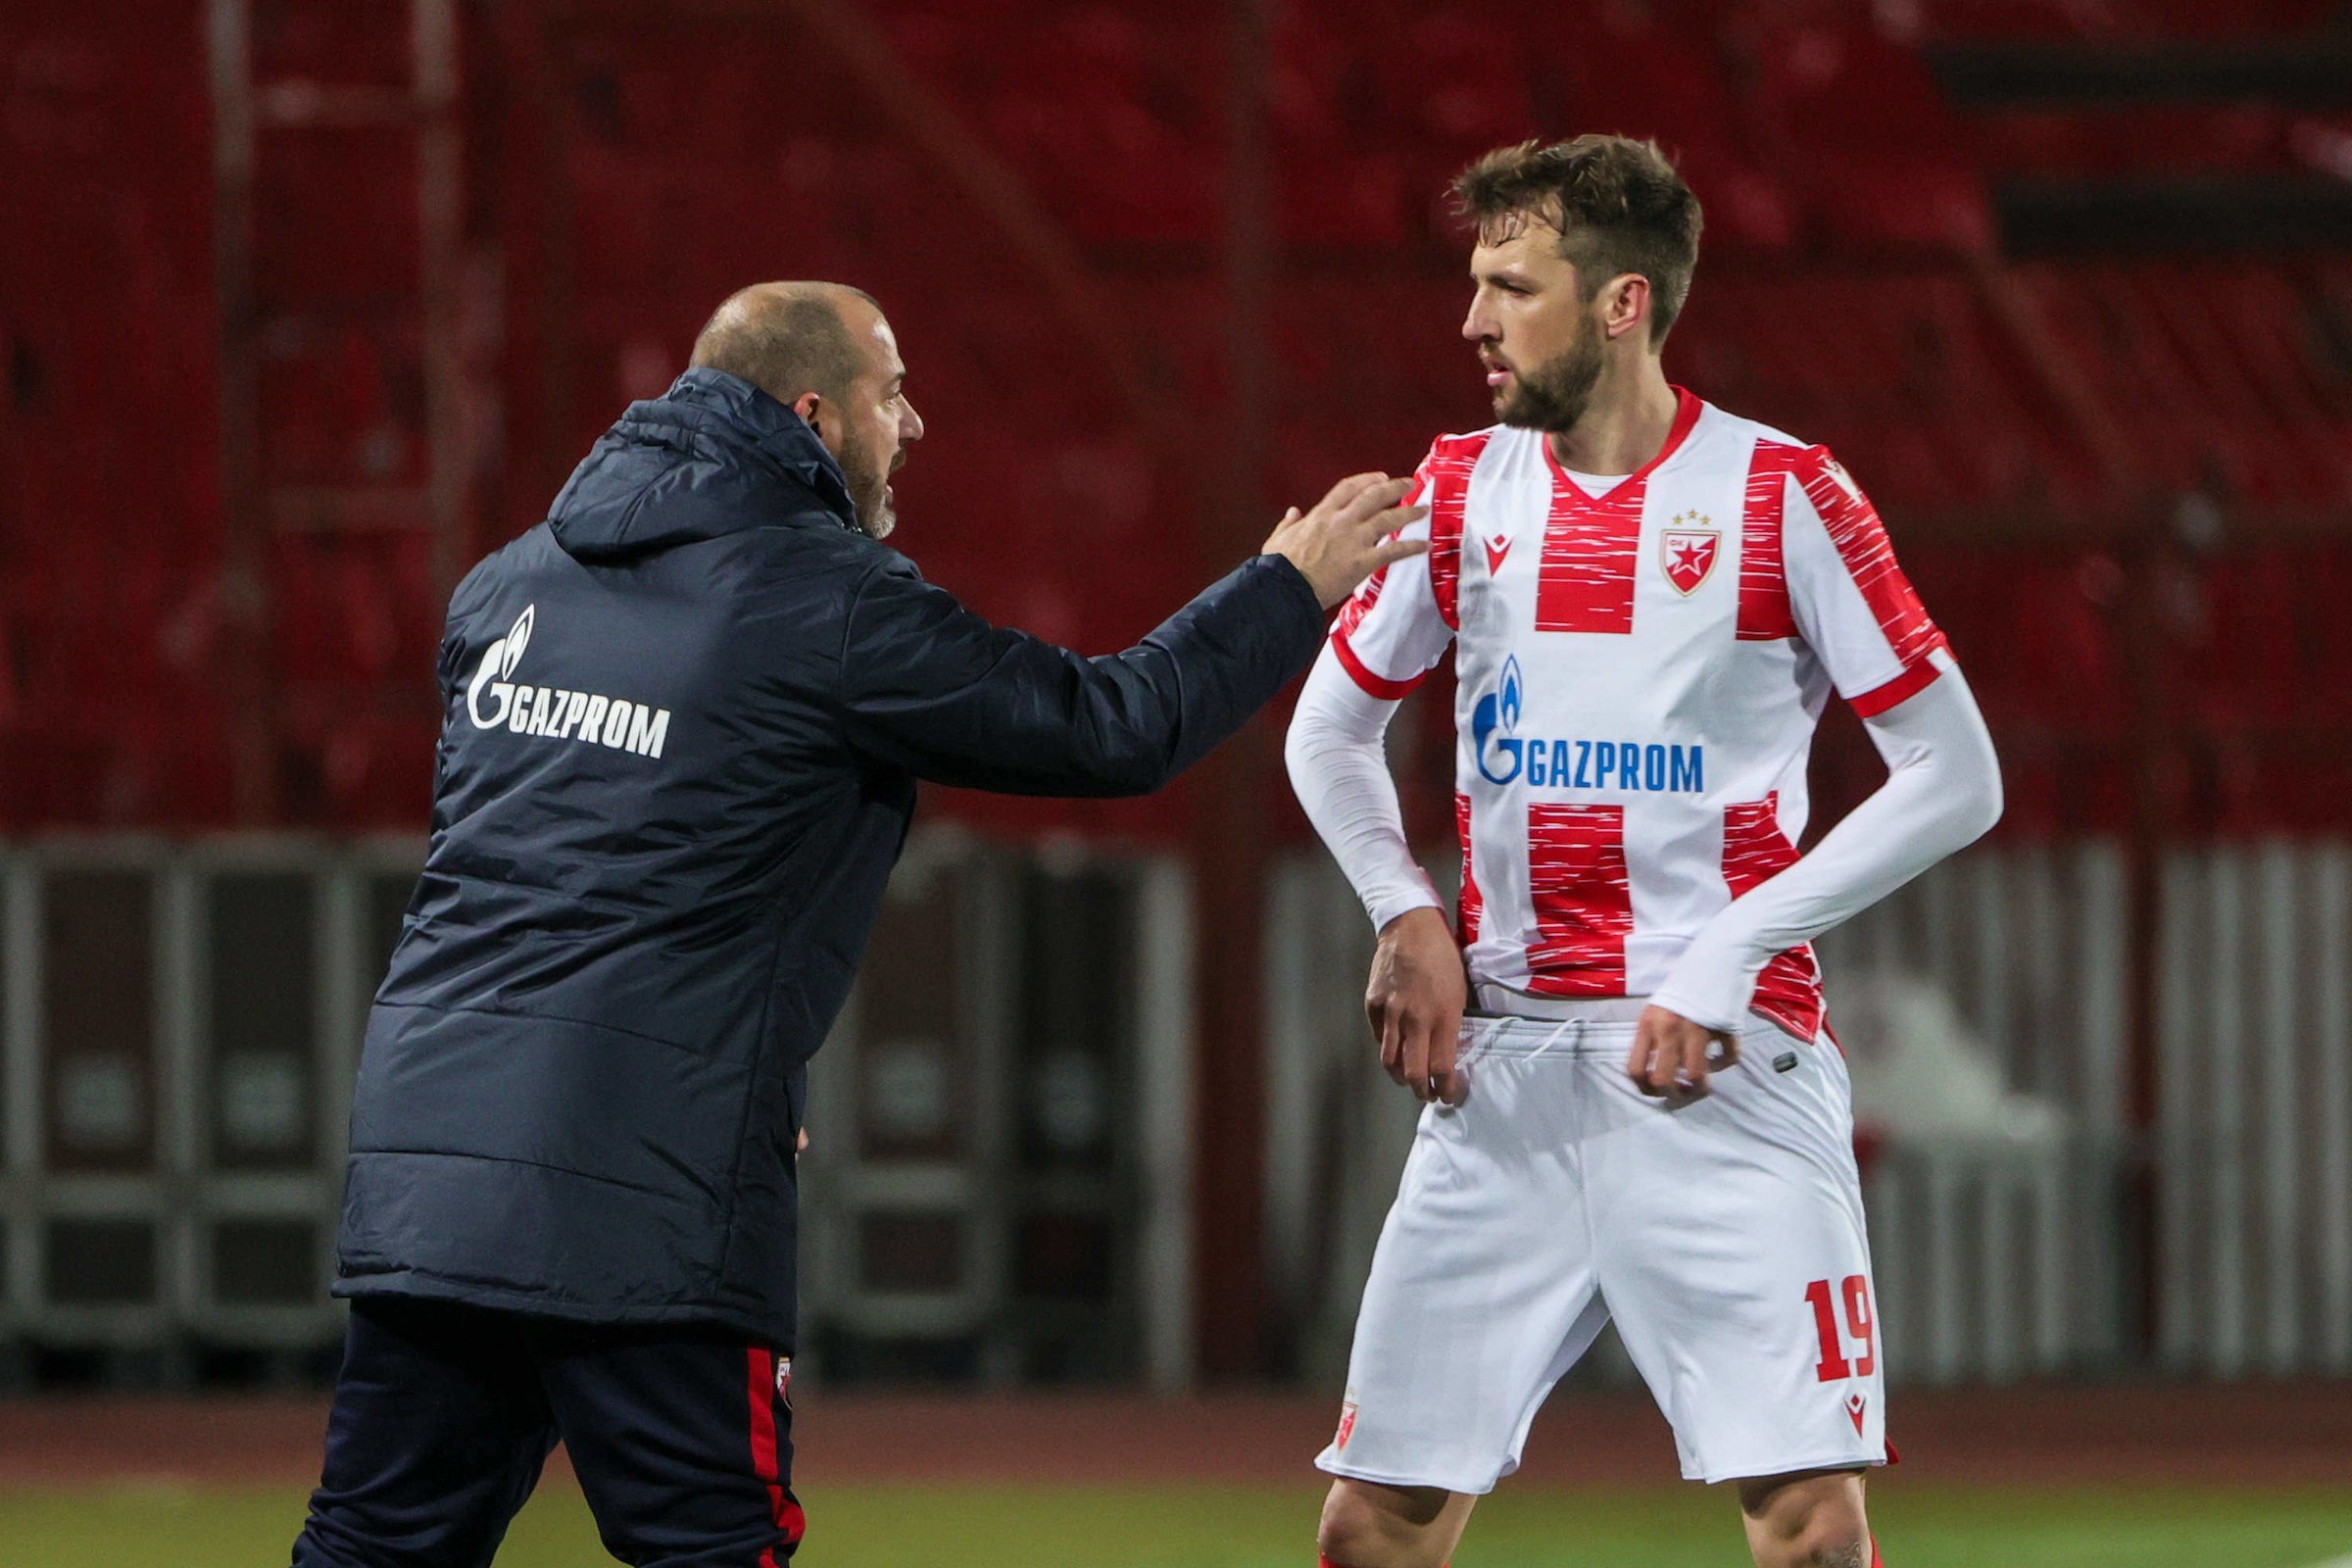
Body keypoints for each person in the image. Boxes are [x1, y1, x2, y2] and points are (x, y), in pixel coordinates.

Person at [290, 280, 1425, 1568]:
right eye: (893, 393)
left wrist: (734, 1045)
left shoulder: (506, 591)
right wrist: (1285, 586)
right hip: (648, 1187)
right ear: (814, 414)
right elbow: (1113, 727)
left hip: (428, 1162)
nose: (916, 423)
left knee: (375, 1550)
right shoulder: (821, 602)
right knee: (715, 1544)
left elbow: (536, 878)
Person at [1285, 138, 2004, 1568]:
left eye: (1511, 287)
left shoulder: (1786, 495)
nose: (1472, 324)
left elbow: (1957, 775)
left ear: (1622, 303)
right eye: (1476, 284)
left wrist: (1734, 950)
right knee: (1373, 1533)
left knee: (1807, 1532)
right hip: (1507, 1076)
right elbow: (1327, 736)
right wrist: (1402, 909)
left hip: (1724, 1075)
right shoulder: (1455, 489)